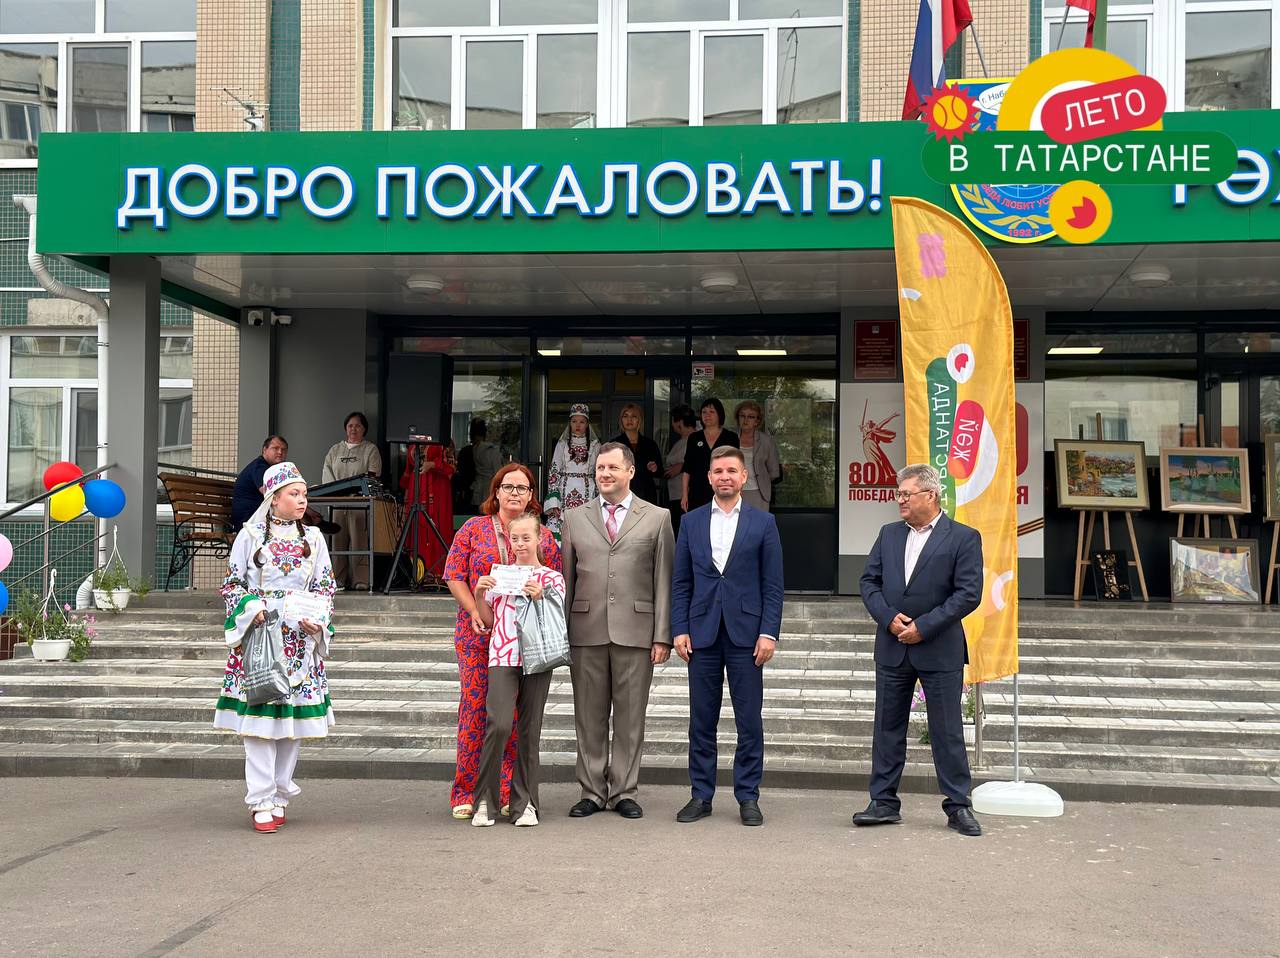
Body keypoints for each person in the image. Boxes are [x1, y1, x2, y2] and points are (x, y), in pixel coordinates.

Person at [855, 463, 984, 837]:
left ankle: (958, 806)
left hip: (939, 648)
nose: (900, 500)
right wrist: (889, 618)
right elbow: (868, 582)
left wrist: (923, 627)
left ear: (930, 495)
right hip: (892, 644)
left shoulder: (963, 537)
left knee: (947, 731)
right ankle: (883, 802)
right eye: (898, 494)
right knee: (887, 728)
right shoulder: (889, 534)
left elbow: (968, 593)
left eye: (906, 494)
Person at [215, 461, 337, 834]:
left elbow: (325, 586)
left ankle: (280, 793)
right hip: (261, 638)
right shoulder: (250, 536)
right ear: (273, 498)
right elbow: (232, 584)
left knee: (292, 725)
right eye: (294, 494)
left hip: (299, 639)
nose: (302, 500)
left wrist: (317, 620)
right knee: (258, 724)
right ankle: (261, 799)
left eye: (304, 494)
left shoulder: (314, 538)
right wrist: (251, 609)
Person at [560, 442, 674, 820]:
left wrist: (662, 635)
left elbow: (663, 580)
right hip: (585, 630)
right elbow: (566, 579)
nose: (605, 474)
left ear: (630, 472)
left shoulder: (657, 518)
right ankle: (592, 791)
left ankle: (624, 790)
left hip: (637, 631)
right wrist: (562, 633)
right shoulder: (574, 518)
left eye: (612, 467)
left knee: (629, 718)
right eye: (600, 468)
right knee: (588, 716)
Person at [442, 463, 562, 820]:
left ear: (531, 496)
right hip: (478, 633)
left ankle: (509, 790)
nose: (514, 493)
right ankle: (467, 790)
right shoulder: (473, 529)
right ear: (496, 491)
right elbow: (454, 574)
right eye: (508, 486)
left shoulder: (544, 536)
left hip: (527, 641)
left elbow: (553, 580)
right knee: (478, 711)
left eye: (522, 488)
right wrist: (473, 609)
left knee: (516, 717)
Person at [671, 447, 783, 827]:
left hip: (747, 636)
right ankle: (701, 795)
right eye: (718, 471)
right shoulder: (691, 522)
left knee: (749, 721)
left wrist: (768, 632)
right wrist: (679, 628)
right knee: (701, 720)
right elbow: (681, 582)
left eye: (732, 471)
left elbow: (773, 584)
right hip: (701, 632)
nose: (725, 477)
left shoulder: (763, 522)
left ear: (744, 476)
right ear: (708, 477)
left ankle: (748, 796)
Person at [470, 512, 565, 827]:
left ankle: (525, 804)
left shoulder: (552, 578)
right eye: (515, 538)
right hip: (502, 654)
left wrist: (541, 596)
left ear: (539, 539)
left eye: (526, 538)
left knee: (529, 729)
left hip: (537, 656)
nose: (520, 544)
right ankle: (485, 801)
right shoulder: (501, 575)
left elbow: (557, 619)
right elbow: (487, 619)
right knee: (498, 724)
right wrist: (479, 593)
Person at [321, 412, 383, 591]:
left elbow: (373, 474)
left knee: (359, 542)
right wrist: (335, 493)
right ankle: (338, 579)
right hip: (338, 503)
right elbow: (327, 473)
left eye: (357, 426)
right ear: (345, 428)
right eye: (350, 426)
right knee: (337, 542)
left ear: (364, 429)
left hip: (360, 504)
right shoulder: (335, 450)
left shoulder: (370, 449)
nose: (353, 429)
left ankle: (361, 580)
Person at [399, 440, 455, 580]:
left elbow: (451, 466)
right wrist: (406, 496)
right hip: (416, 488)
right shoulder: (414, 440)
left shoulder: (443, 439)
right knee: (417, 528)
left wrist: (432, 465)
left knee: (437, 527)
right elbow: (408, 470)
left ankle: (438, 573)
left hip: (437, 489)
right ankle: (418, 574)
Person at [544, 403, 600, 537]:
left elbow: (599, 473)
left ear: (587, 424)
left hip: (588, 492)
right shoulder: (562, 444)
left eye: (582, 422)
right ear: (570, 423)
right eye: (574, 421)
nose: (578, 425)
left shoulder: (595, 446)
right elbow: (554, 472)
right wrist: (554, 501)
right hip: (564, 492)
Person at [681, 398, 739, 514]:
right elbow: (687, 469)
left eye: (712, 412)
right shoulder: (694, 438)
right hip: (697, 490)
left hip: (723, 488)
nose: (707, 415)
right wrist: (684, 494)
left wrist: (738, 492)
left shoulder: (730, 437)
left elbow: (736, 466)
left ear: (719, 414)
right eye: (704, 412)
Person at [231, 435, 288, 531]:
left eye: (284, 449)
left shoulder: (271, 469)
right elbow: (269, 492)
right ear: (264, 450)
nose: (280, 452)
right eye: (275, 448)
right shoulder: (260, 467)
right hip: (248, 520)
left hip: (259, 516)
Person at [610, 403, 663, 504]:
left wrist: (654, 468)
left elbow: (660, 472)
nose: (629, 420)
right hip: (622, 492)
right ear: (621, 420)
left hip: (646, 493)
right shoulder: (615, 444)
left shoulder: (649, 444)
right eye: (625, 416)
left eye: (634, 416)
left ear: (639, 420)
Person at [734, 400, 782, 513]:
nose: (745, 420)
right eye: (742, 416)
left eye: (751, 417)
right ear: (738, 418)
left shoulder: (766, 441)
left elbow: (774, 471)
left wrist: (761, 481)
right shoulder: (730, 438)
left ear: (757, 421)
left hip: (759, 492)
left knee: (758, 523)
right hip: (733, 491)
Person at [664, 405, 697, 537]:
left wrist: (681, 467)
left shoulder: (696, 439)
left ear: (679, 422)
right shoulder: (681, 441)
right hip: (675, 493)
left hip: (685, 494)